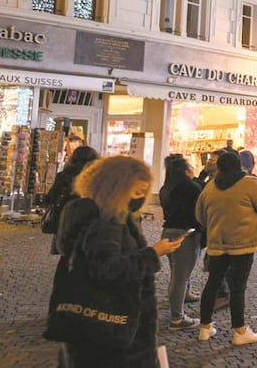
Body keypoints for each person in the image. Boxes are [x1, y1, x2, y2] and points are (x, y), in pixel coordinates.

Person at [53, 156, 184, 367]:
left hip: (97, 327)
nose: (141, 198)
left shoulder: (91, 213)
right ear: (116, 187)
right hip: (113, 328)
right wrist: (152, 254)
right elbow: (107, 269)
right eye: (137, 192)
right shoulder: (106, 221)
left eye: (144, 192)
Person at [195, 151, 257, 346]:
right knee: (238, 287)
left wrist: (213, 227)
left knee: (212, 283)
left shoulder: (210, 187)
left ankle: (205, 327)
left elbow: (200, 216)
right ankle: (240, 331)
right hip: (243, 244)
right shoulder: (249, 183)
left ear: (218, 168)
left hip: (217, 244)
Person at [159, 154, 204, 331]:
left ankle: (185, 295)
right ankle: (177, 318)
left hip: (168, 231)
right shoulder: (190, 187)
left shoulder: (166, 188)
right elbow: (201, 204)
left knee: (177, 272)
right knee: (180, 276)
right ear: (185, 170)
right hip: (185, 233)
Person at [43, 144, 98, 254]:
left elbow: (52, 197)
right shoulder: (98, 177)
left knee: (67, 252)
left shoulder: (63, 176)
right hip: (91, 219)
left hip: (67, 217)